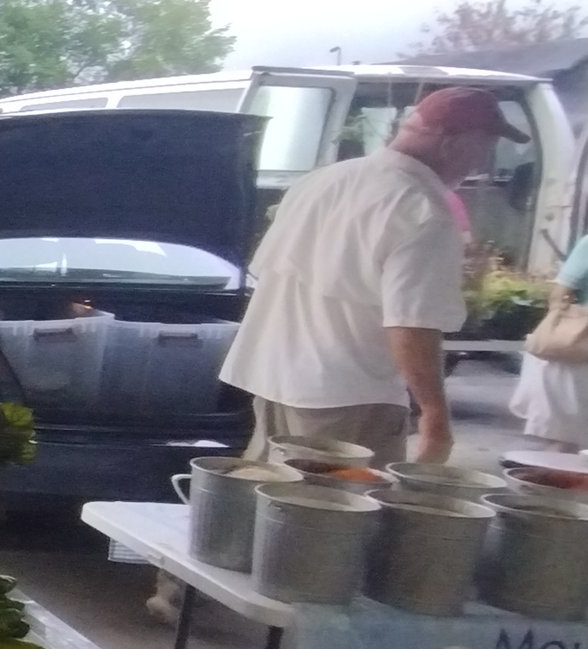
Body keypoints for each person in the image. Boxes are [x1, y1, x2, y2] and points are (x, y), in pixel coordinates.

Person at [221, 85, 523, 467]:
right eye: (485, 145)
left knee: (269, 510)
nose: (482, 161)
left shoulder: (322, 181)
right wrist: (435, 416)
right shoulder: (423, 209)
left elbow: (267, 276)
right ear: (454, 143)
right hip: (350, 397)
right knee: (335, 519)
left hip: (272, 379)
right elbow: (411, 324)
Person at [512, 231, 588, 451]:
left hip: (576, 352)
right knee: (566, 444)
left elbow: (559, 295)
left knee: (567, 443)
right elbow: (560, 295)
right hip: (576, 354)